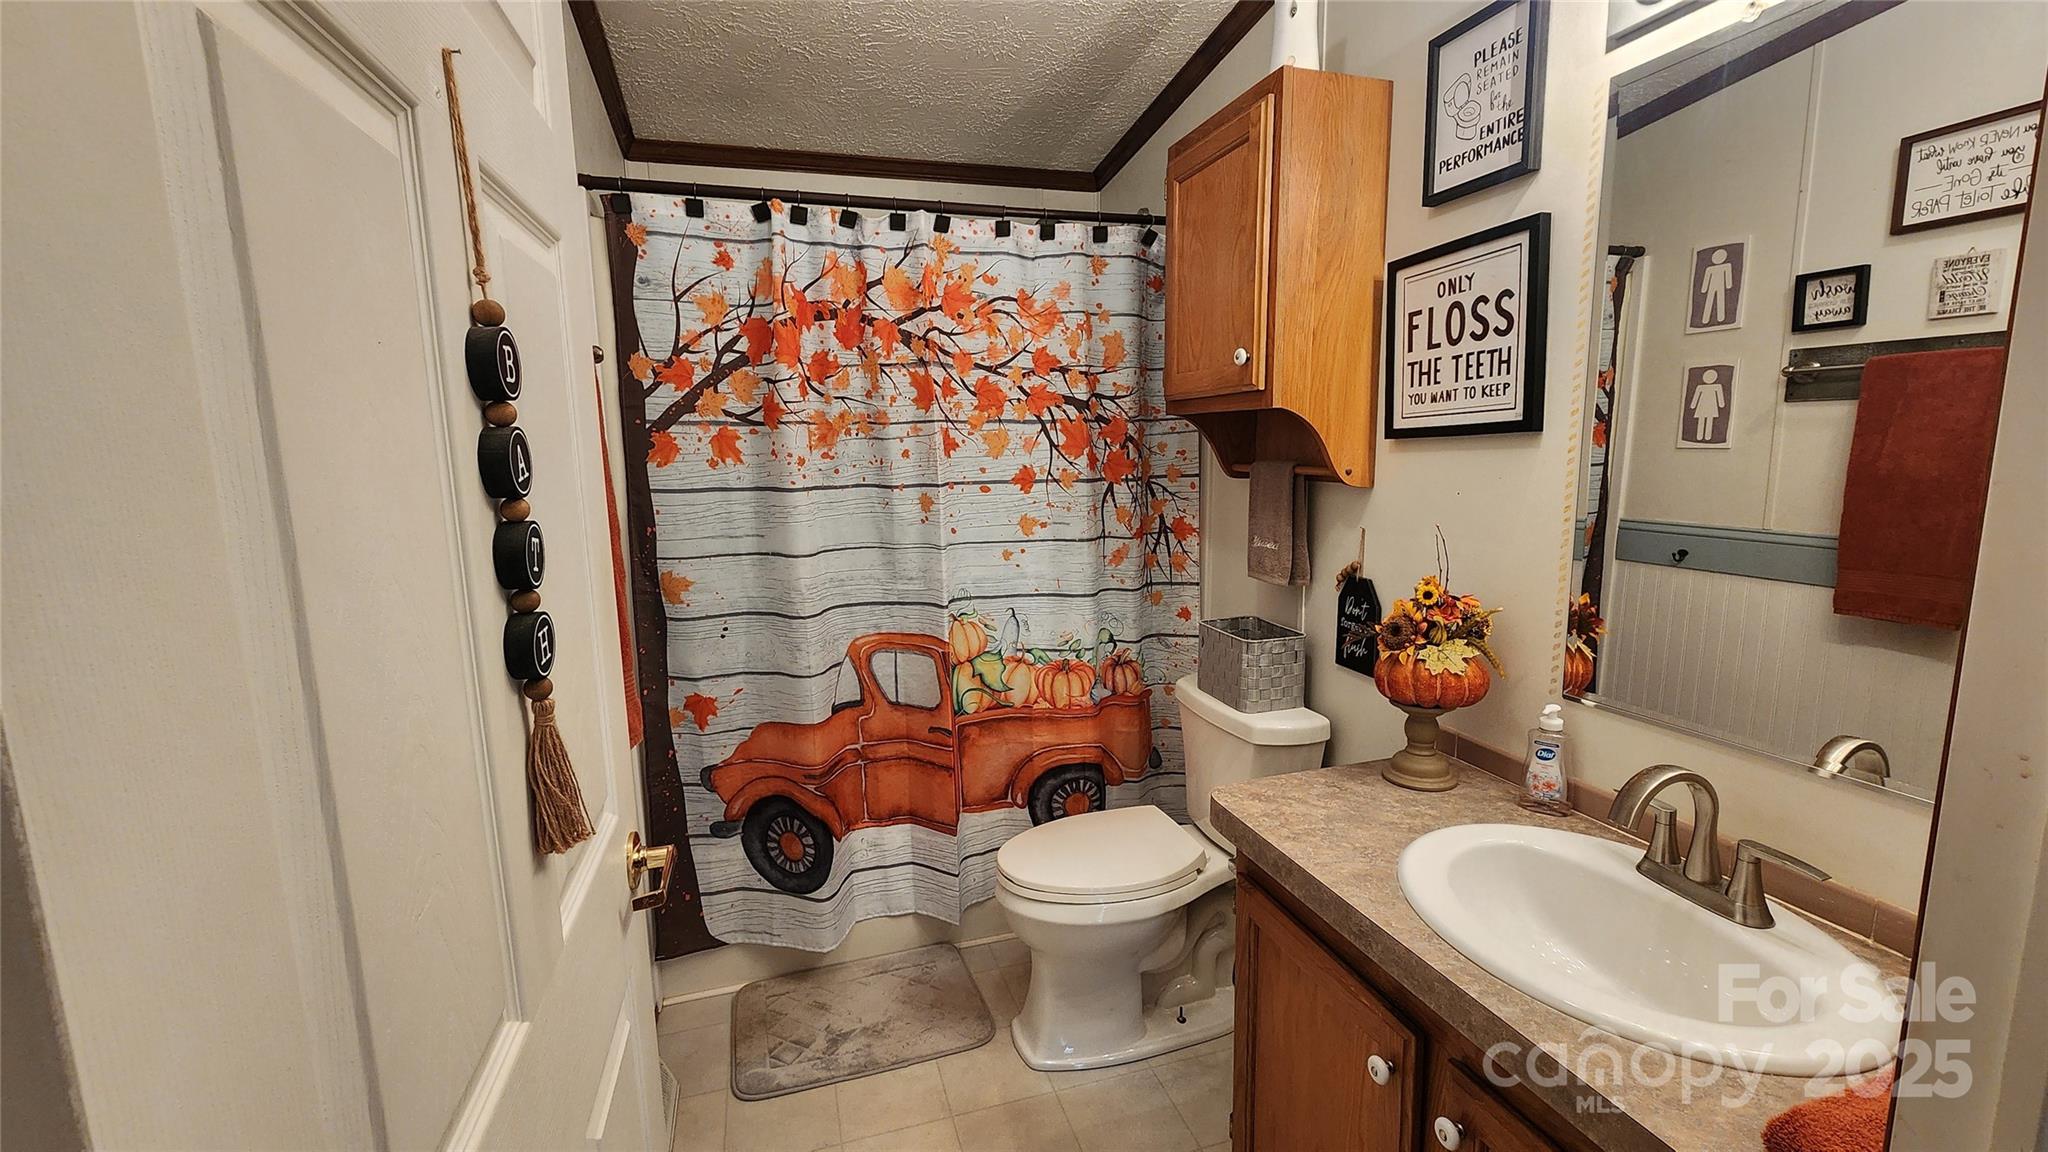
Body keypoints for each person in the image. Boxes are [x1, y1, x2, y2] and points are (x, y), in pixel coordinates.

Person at [1698, 249, 1735, 325]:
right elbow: (1706, 279)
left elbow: (1728, 277)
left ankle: (1720, 318)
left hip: (1721, 286)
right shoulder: (1710, 269)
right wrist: (1704, 289)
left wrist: (1728, 285)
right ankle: (1705, 319)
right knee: (1709, 300)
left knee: (1720, 300)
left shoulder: (1726, 266)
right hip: (1712, 286)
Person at [1689, 368, 1726, 443]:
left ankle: (1707, 436)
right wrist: (1693, 405)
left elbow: (1720, 396)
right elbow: (1696, 396)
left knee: (1709, 420)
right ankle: (1699, 436)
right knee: (1701, 420)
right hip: (1702, 406)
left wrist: (1721, 404)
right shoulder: (1700, 387)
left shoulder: (1717, 386)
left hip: (1712, 406)